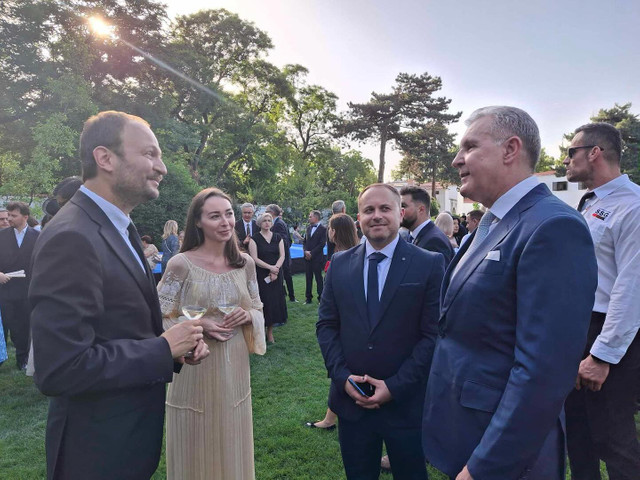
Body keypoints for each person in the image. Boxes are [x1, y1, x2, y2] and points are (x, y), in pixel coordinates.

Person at [29, 111, 208, 480]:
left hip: (124, 443)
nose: (162, 168)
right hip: (94, 454)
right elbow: (60, 368)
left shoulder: (119, 226)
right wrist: (162, 348)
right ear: (105, 158)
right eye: (150, 154)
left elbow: (119, 329)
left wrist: (173, 347)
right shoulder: (72, 236)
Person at [422, 106, 598, 480]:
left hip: (506, 458)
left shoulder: (553, 226)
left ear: (510, 149)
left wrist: (484, 468)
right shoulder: (487, 226)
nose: (456, 160)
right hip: (469, 432)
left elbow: (543, 372)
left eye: (469, 147)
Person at [317, 183, 444, 480]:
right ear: (358, 217)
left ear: (400, 213)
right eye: (369, 210)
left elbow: (433, 334)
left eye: (385, 208)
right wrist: (342, 377)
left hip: (406, 404)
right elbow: (326, 325)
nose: (377, 216)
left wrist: (396, 386)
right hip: (352, 402)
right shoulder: (340, 264)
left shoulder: (427, 264)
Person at [158, 187, 266, 480]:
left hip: (234, 364)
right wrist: (198, 325)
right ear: (198, 222)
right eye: (215, 216)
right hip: (194, 362)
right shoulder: (180, 264)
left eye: (228, 214)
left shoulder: (245, 264)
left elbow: (257, 307)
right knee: (195, 437)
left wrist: (248, 316)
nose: (225, 222)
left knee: (232, 433)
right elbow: (158, 316)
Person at [563, 122, 640, 480]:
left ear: (595, 152)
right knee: (578, 434)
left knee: (613, 437)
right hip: (578, 328)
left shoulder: (633, 206)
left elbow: (632, 286)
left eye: (571, 151)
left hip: (607, 332)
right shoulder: (591, 203)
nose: (566, 160)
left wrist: (602, 355)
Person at [306, 213, 359, 432]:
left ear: (334, 231)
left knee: (342, 372)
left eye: (329, 228)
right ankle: (330, 419)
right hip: (339, 324)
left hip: (346, 326)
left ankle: (331, 420)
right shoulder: (345, 255)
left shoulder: (347, 258)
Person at [0, 201, 39, 370]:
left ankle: (23, 359)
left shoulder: (37, 237)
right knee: (10, 324)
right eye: (8, 215)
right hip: (6, 289)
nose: (9, 219)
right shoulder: (1, 236)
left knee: (25, 325)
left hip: (28, 289)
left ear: (25, 216)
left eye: (13, 216)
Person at [249, 212, 287, 343]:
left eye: (269, 220)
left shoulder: (278, 237)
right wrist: (270, 268)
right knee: (263, 302)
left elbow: (282, 255)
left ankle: (270, 332)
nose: (267, 222)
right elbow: (254, 258)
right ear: (260, 223)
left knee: (274, 302)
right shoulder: (254, 239)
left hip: (276, 274)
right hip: (261, 274)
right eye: (264, 220)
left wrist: (275, 269)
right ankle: (259, 330)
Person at [400, 186, 454, 264]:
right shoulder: (412, 236)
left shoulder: (435, 241)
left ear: (421, 209)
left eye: (403, 206)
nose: (399, 211)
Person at [266, 204, 296, 303]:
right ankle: (288, 296)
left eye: (267, 211)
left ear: (272, 212)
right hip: (283, 256)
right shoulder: (279, 222)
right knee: (285, 276)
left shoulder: (278, 224)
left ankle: (289, 297)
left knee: (284, 276)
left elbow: (285, 240)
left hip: (282, 257)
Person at [303, 210, 326, 304]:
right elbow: (304, 241)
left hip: (317, 258)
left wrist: (311, 253)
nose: (309, 218)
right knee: (308, 278)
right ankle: (308, 298)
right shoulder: (308, 228)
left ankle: (321, 297)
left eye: (310, 216)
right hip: (307, 258)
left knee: (318, 278)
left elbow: (322, 244)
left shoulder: (323, 229)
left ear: (316, 217)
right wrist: (305, 251)